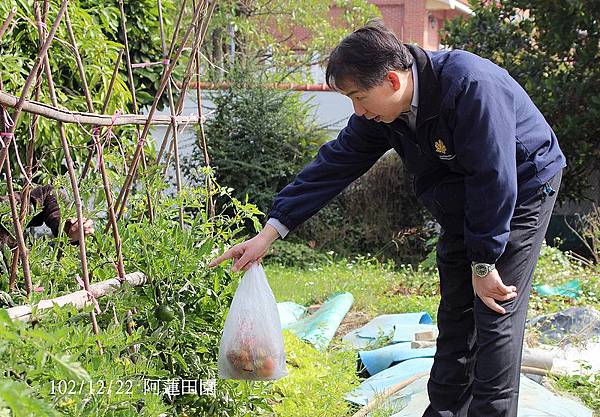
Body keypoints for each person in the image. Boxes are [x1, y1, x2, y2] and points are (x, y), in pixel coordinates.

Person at [209, 20, 566, 417]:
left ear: (393, 81)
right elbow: (334, 165)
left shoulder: (470, 86)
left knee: (495, 312)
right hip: (460, 195)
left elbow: (494, 177)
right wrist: (269, 233)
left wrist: (483, 262)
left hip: (522, 185)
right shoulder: (383, 114)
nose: (358, 111)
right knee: (456, 314)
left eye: (359, 97)